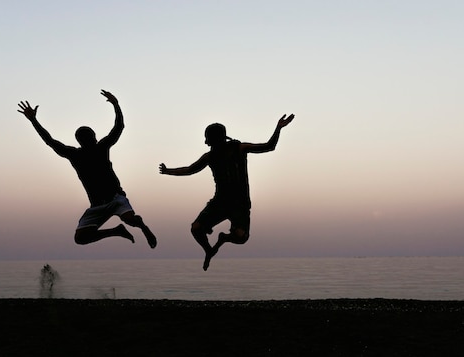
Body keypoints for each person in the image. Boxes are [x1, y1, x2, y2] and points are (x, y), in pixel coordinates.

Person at [17, 90, 157, 249]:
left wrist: (33, 120)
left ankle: (142, 227)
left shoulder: (82, 152)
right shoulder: (89, 151)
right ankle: (117, 231)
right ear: (92, 137)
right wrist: (116, 104)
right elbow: (119, 126)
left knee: (130, 220)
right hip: (97, 205)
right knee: (81, 237)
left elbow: (50, 141)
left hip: (115, 198)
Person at [159, 114, 295, 270]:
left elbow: (269, 146)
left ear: (217, 139)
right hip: (220, 202)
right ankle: (209, 250)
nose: (206, 142)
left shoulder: (239, 148)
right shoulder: (209, 157)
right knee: (196, 228)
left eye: (208, 139)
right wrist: (168, 171)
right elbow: (190, 170)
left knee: (241, 237)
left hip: (240, 203)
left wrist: (278, 128)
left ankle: (223, 238)